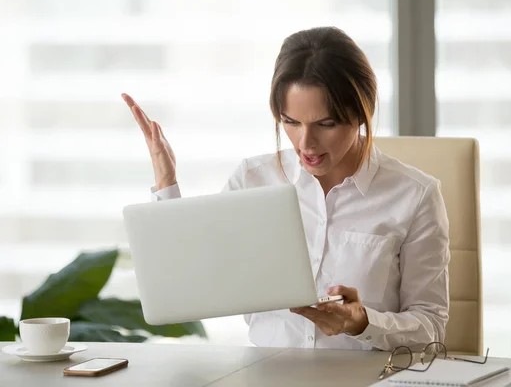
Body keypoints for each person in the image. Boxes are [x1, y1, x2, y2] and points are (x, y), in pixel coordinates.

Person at [121, 26, 450, 352]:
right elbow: (189, 283)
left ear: (361, 113)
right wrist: (167, 183)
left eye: (326, 124)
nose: (306, 143)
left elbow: (431, 328)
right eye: (291, 122)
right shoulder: (252, 179)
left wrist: (362, 323)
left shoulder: (415, 196)